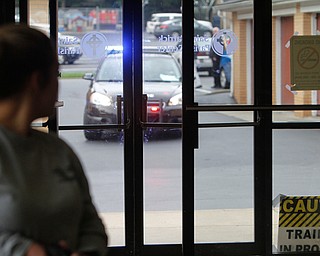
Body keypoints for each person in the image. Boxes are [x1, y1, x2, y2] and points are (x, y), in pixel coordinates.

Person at [0, 24, 108, 256]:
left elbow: (90, 221)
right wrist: (26, 250)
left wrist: (87, 251)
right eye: (57, 73)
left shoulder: (58, 150)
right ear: (37, 81)